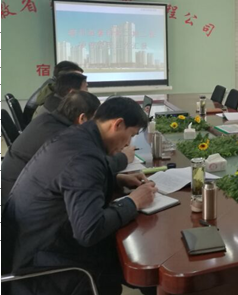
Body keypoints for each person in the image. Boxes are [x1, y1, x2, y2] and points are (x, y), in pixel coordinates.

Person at [3, 97, 157, 295]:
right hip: (45, 269)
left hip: (35, 246)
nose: (128, 143)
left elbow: (71, 181)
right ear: (117, 124)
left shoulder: (77, 136)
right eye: (131, 135)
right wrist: (133, 202)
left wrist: (116, 180)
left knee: (140, 262)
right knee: (143, 260)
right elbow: (89, 231)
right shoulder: (83, 157)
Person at [1, 91, 134, 205]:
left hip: (19, 197)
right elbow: (87, 166)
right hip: (16, 206)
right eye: (96, 120)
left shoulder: (47, 120)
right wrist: (123, 158)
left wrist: (115, 180)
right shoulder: (63, 137)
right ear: (82, 118)